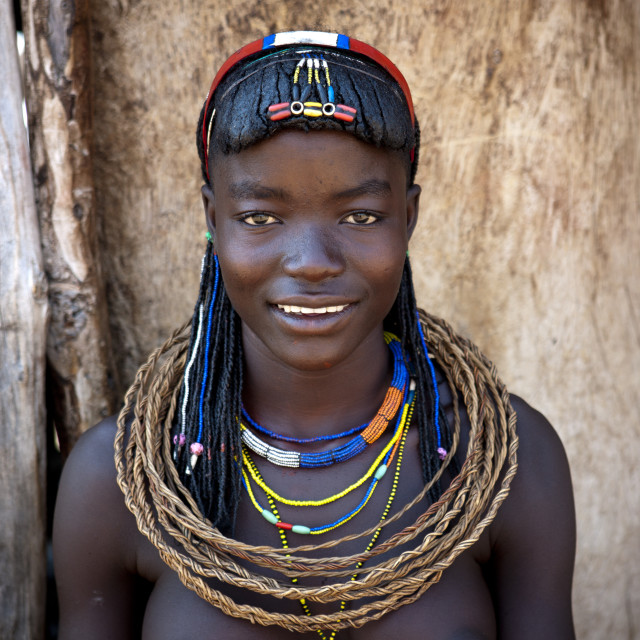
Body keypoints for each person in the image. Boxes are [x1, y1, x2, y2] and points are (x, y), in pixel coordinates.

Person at [53, 31, 576, 639]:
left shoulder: (506, 461)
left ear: (408, 219)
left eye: (360, 216)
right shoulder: (116, 481)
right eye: (260, 217)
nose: (311, 262)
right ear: (212, 220)